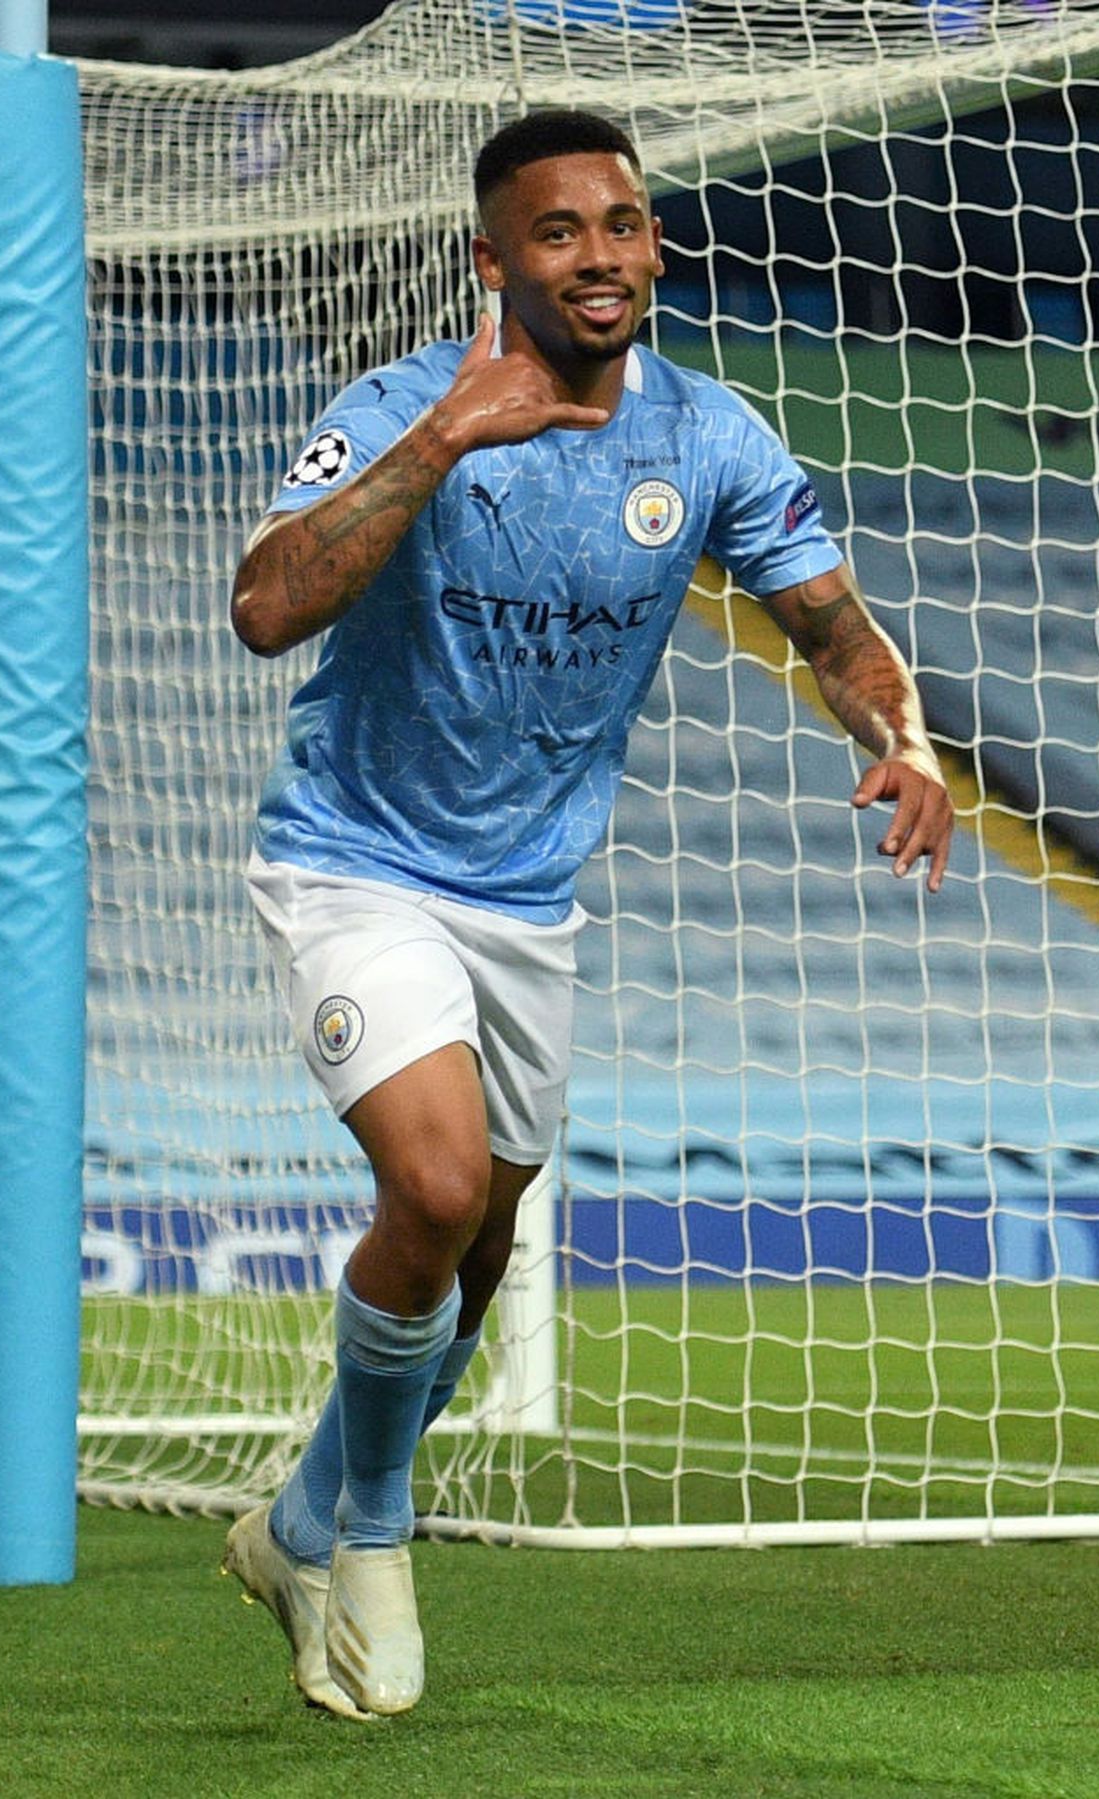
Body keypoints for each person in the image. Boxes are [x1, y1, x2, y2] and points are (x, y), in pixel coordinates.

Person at [221, 107, 954, 1721]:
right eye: (558, 233)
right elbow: (267, 606)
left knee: (476, 1252)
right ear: (494, 262)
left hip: (528, 901)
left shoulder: (708, 439)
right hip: (358, 860)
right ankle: (377, 1531)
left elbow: (833, 630)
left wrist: (897, 743)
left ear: (654, 241)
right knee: (435, 1182)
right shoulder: (405, 402)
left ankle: (292, 1527)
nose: (600, 255)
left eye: (620, 223)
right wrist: (442, 446)